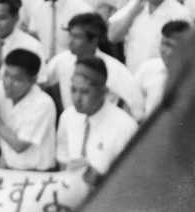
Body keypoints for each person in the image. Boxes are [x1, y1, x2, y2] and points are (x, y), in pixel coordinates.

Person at [44, 12, 143, 119]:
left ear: (94, 41)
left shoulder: (113, 68)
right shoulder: (61, 60)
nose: (71, 41)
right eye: (70, 35)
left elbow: (138, 107)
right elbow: (41, 82)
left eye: (77, 37)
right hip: (71, 123)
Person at [56, 57, 138, 185]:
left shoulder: (125, 127)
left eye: (85, 92)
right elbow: (63, 159)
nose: (77, 98)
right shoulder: (67, 117)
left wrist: (97, 175)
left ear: (103, 92)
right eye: (73, 90)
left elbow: (131, 177)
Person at [0, 48, 57, 171]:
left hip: (38, 172)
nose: (8, 83)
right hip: (9, 168)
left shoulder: (43, 103)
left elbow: (19, 145)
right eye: (6, 75)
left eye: (17, 80)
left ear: (33, 80)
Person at [108, 0, 191, 73]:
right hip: (132, 75)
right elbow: (112, 37)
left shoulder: (180, 14)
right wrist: (133, 13)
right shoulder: (134, 5)